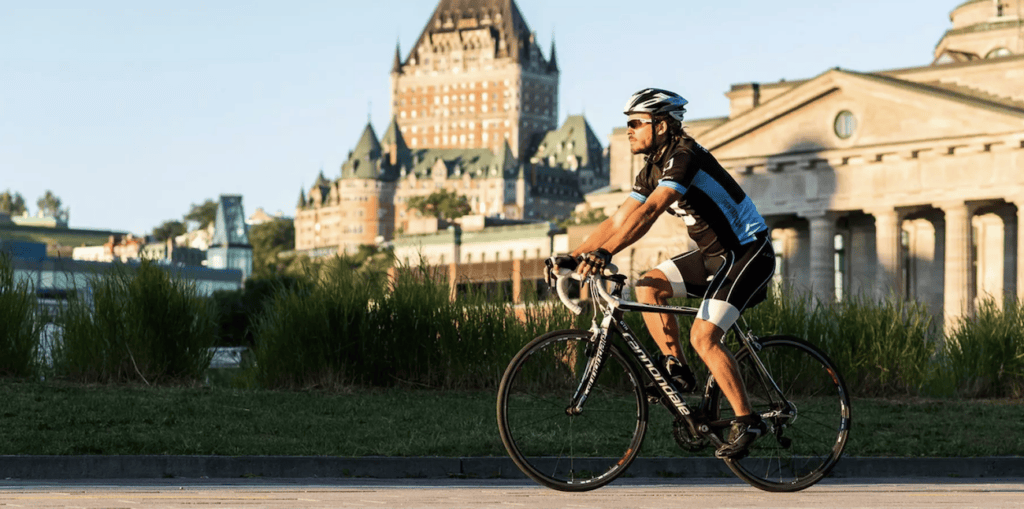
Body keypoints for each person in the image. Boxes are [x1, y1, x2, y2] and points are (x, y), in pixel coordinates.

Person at [570, 88, 776, 459]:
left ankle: (749, 420)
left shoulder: (684, 156)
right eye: (627, 123)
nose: (629, 129)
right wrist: (574, 256)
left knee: (705, 336)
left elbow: (649, 212)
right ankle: (677, 369)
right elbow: (618, 218)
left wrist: (606, 253)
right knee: (648, 285)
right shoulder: (652, 168)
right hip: (714, 257)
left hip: (749, 253)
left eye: (636, 123)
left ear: (661, 125)